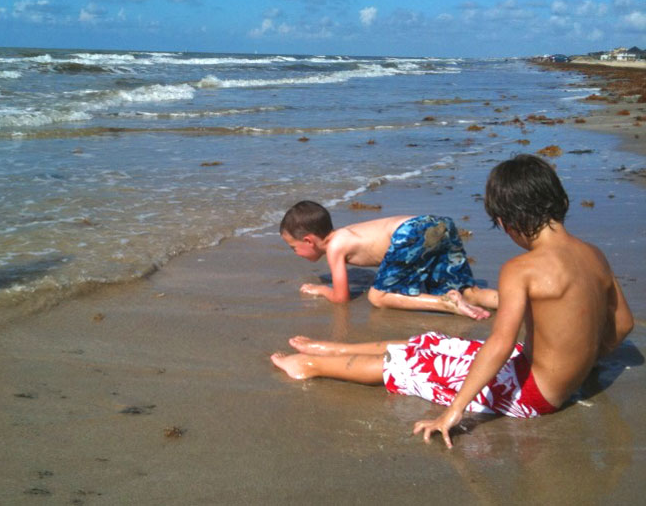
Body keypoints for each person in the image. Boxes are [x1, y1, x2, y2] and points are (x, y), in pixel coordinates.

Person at [271, 154, 634, 447]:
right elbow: (622, 325)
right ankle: (331, 349)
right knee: (438, 344)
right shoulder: (594, 254)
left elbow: (500, 343)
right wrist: (583, 361)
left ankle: (312, 366)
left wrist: (454, 411)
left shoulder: (522, 268)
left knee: (412, 366)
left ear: (507, 222)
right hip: (542, 377)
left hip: (533, 395)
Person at [279, 200, 497, 319]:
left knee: (378, 297)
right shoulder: (346, 233)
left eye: (293, 248)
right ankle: (514, 300)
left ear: (308, 241)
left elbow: (341, 297)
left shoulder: (335, 246)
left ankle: (447, 303)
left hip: (409, 231)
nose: (295, 253)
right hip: (437, 224)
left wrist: (321, 290)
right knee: (469, 292)